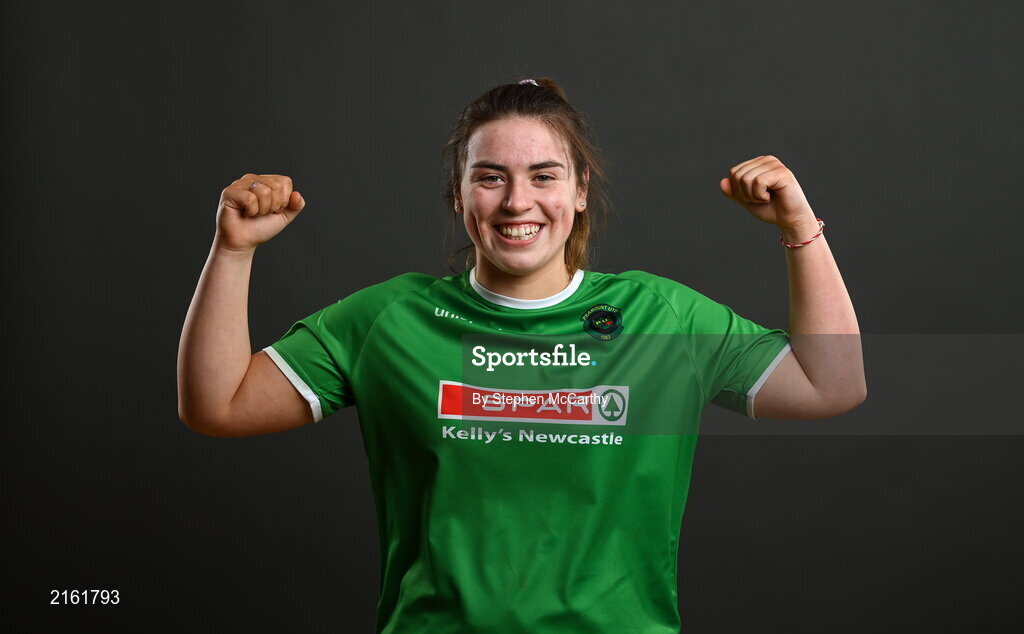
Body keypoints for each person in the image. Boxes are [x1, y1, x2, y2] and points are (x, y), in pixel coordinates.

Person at [177, 78, 865, 632]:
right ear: (458, 193)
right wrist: (233, 251)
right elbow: (220, 405)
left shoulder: (662, 318)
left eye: (543, 176)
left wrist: (801, 228)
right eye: (490, 177)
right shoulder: (390, 319)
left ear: (581, 191)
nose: (517, 202)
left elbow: (829, 385)